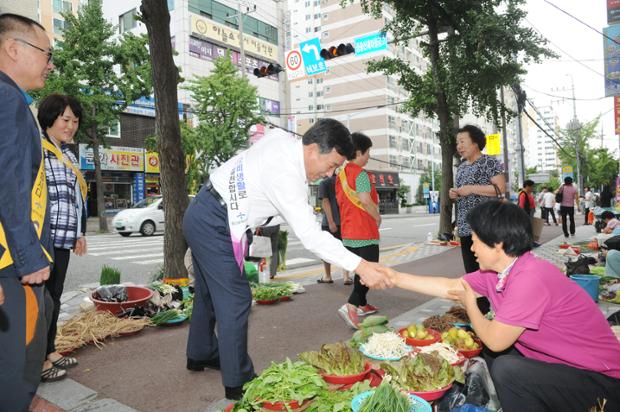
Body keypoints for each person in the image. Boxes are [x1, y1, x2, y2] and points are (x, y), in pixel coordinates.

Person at [182, 119, 392, 400]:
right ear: (314, 149)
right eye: (331, 165)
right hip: (214, 221)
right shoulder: (286, 173)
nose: (330, 174)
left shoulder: (284, 143)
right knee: (235, 299)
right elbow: (310, 236)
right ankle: (239, 385)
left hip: (210, 213)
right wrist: (361, 265)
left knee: (209, 293)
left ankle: (201, 353)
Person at [381, 201, 620, 412]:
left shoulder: (530, 278)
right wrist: (394, 277)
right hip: (566, 368)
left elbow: (495, 338)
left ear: (497, 244)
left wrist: (471, 306)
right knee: (492, 352)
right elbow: (452, 287)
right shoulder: (500, 272)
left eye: (475, 241)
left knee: (506, 368)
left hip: (604, 385)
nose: (472, 248)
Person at [0, 13, 55, 411]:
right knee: (15, 362)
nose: (50, 64)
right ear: (13, 49)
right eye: (46, 53)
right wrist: (28, 256)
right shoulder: (7, 102)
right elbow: (7, 182)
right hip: (9, 263)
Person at [38, 94, 87, 382]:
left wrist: (79, 232)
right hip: (43, 238)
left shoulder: (68, 154)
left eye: (75, 121)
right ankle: (39, 360)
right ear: (50, 119)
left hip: (64, 238)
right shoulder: (37, 149)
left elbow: (75, 199)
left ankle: (50, 349)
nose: (71, 126)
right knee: (42, 300)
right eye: (65, 119)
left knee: (54, 297)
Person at [336, 133, 381, 328]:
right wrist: (377, 216)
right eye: (368, 152)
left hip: (348, 232)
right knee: (369, 272)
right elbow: (364, 200)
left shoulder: (341, 174)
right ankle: (352, 305)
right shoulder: (360, 174)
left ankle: (362, 304)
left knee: (359, 271)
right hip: (365, 231)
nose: (369, 156)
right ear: (359, 152)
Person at [449, 125, 505, 274]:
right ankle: (478, 298)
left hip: (485, 227)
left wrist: (471, 188)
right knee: (473, 273)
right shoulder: (461, 167)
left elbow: (500, 189)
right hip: (465, 228)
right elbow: (463, 192)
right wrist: (454, 193)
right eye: (457, 143)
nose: (459, 146)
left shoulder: (489, 162)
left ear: (475, 142)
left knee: (490, 273)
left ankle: (493, 298)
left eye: (462, 141)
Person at [317, 174, 351, 285]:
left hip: (330, 223)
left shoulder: (324, 183)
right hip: (345, 222)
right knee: (345, 249)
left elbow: (325, 202)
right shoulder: (343, 180)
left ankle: (328, 276)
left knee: (326, 249)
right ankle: (346, 277)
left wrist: (331, 222)